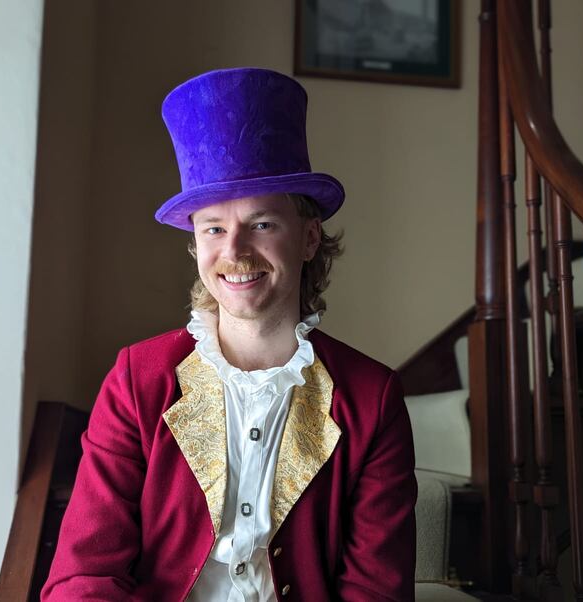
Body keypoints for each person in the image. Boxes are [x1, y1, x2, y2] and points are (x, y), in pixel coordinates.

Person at [42, 67, 416, 602]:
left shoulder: (371, 399)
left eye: (262, 223)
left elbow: (375, 592)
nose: (235, 250)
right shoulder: (137, 380)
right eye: (214, 227)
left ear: (310, 238)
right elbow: (83, 576)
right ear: (196, 246)